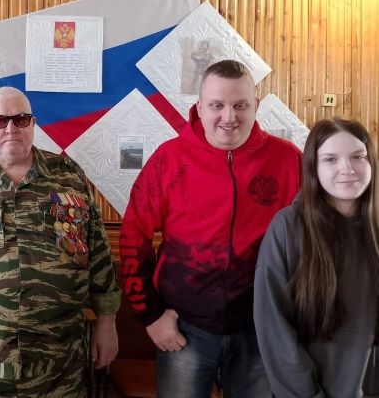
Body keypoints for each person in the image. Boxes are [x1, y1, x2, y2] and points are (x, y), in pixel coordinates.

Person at [119, 59, 303, 397]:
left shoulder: (289, 159)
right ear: (200, 107)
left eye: (240, 105)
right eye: (217, 105)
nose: (229, 116)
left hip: (261, 329)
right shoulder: (168, 159)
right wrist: (151, 315)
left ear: (255, 106)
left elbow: (312, 240)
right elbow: (133, 235)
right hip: (184, 329)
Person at [0, 86, 121, 398]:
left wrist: (107, 325)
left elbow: (98, 254)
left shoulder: (68, 177)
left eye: (21, 119)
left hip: (60, 367)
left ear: (33, 123)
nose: (11, 128)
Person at [254, 118, 379, 397]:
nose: (347, 169)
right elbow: (274, 328)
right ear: (313, 167)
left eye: (358, 157)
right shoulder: (288, 227)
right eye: (331, 159)